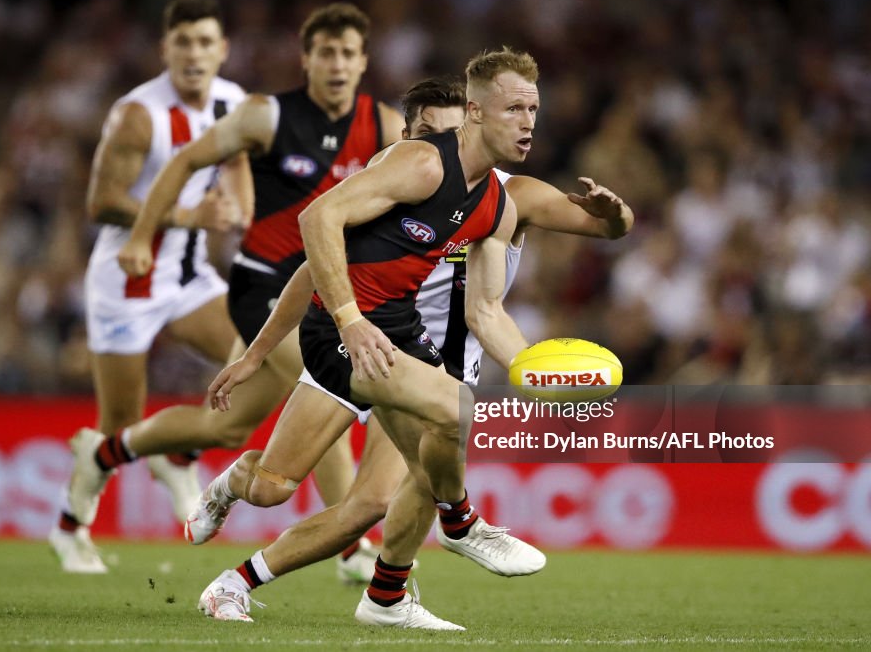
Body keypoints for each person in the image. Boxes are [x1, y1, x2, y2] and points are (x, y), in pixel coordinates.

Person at [186, 48, 630, 630]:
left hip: (400, 339)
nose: (528, 122)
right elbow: (315, 236)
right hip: (350, 333)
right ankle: (462, 522)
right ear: (470, 116)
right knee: (445, 414)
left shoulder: (498, 205)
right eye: (516, 109)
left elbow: (487, 309)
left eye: (534, 110)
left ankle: (378, 597)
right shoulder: (415, 167)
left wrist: (614, 217)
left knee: (374, 490)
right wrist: (275, 346)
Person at [62, 3, 405, 582]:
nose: (337, 64)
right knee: (331, 379)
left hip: (327, 288)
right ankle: (352, 550)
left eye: (348, 53)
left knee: (222, 427)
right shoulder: (265, 115)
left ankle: (106, 452)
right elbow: (186, 162)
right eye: (326, 53)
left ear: (364, 61)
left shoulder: (388, 127)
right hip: (265, 286)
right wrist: (143, 233)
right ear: (306, 60)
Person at [48, 0, 250, 574]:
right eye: (183, 42)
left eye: (205, 42)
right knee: (117, 429)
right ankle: (70, 529)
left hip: (189, 278)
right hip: (127, 281)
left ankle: (181, 451)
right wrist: (190, 216)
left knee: (265, 360)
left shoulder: (234, 103)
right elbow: (101, 202)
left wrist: (238, 203)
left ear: (223, 50)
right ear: (165, 50)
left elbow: (239, 163)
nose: (194, 53)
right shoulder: (139, 114)